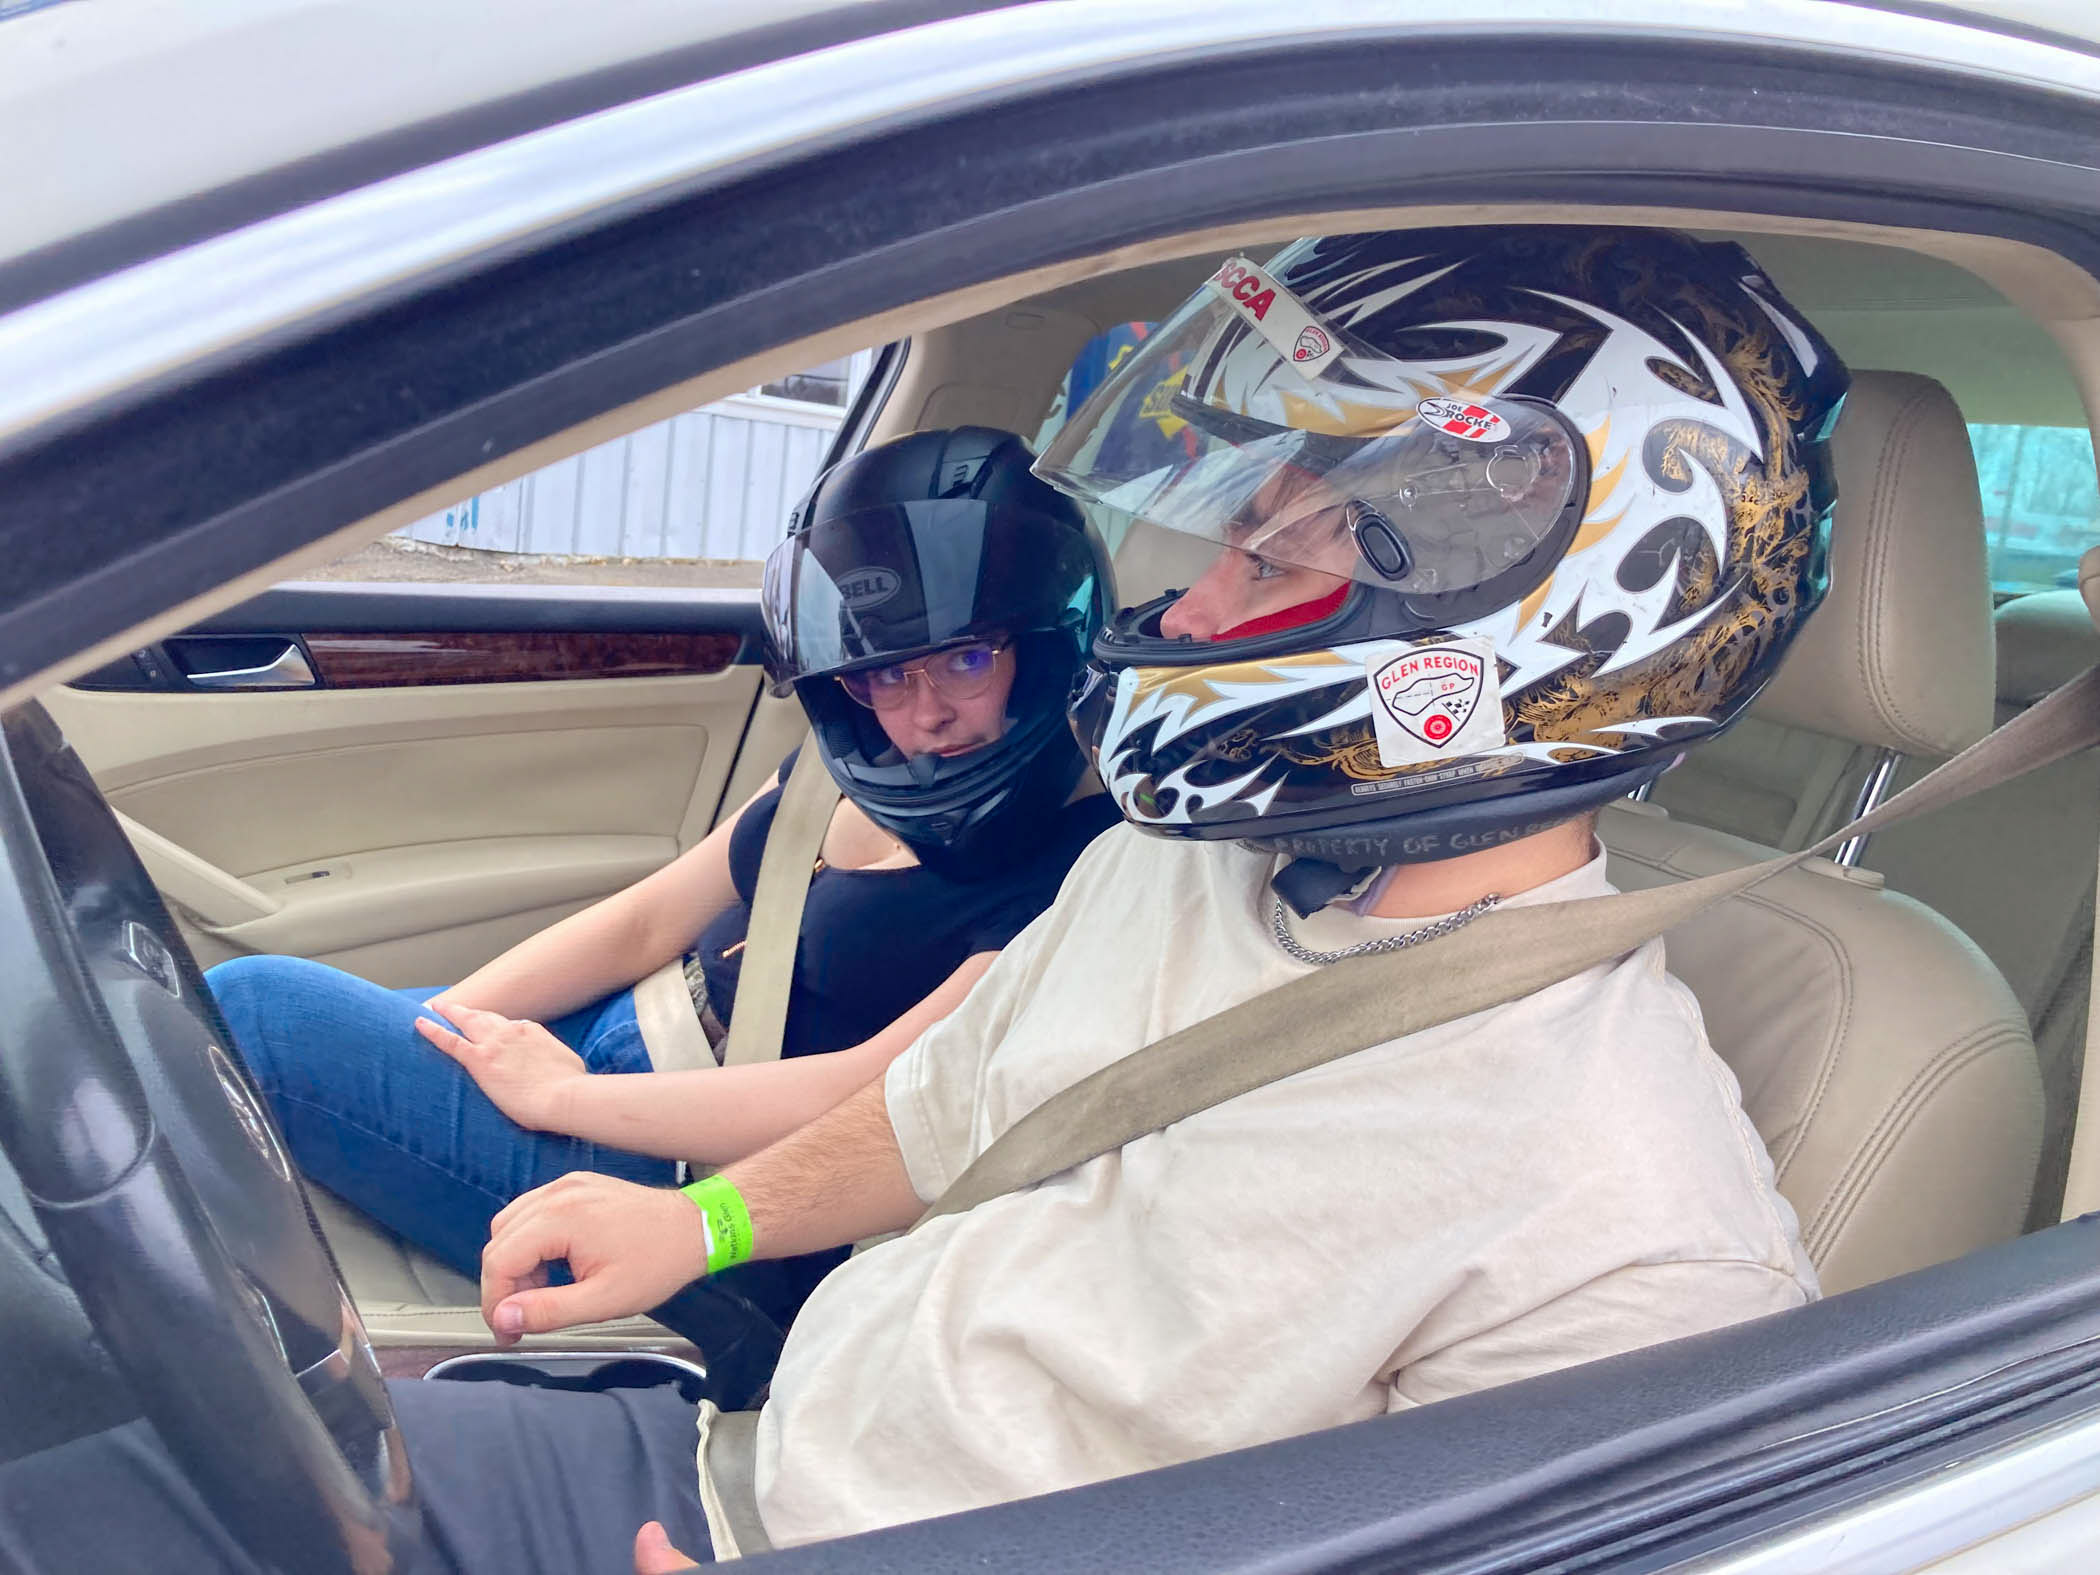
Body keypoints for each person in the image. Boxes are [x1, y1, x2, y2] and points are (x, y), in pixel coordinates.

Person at [2, 225, 1849, 1574]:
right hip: (724, 1452)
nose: (1193, 613)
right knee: (76, 1485)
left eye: (1286, 553)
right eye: (1237, 536)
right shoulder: (1175, 870)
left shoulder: (1637, 1238)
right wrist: (704, 1232)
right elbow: (935, 1107)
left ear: (1503, 631)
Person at [202, 426, 1119, 1372]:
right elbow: (647, 918)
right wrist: (451, 1026)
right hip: (615, 1054)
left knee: (252, 1012)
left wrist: (572, 1096)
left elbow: (883, 1091)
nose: (923, 712)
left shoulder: (1078, 863)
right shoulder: (849, 766)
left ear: (1047, 647)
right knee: (220, 1026)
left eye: (966, 660)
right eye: (886, 671)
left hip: (680, 1176)